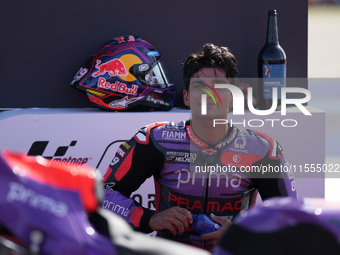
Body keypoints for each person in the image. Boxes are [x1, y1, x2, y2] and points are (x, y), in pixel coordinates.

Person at [101, 43, 297, 250]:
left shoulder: (263, 149)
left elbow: (291, 218)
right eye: (199, 86)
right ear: (186, 97)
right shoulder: (154, 138)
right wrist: (150, 218)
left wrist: (240, 235)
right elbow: (103, 195)